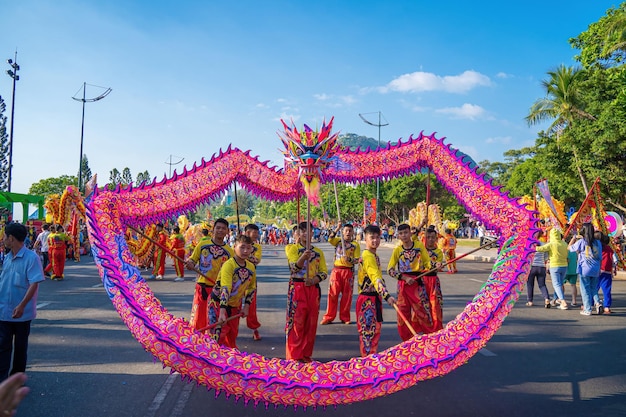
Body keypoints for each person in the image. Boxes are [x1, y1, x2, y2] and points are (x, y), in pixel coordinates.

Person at [0, 223, 45, 381]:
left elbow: (34, 283)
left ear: (11, 238)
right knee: (3, 346)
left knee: (20, 348)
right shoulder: (7, 257)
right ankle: (3, 380)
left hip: (22, 314)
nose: (3, 239)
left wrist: (22, 305)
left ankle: (16, 379)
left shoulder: (31, 258)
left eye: (5, 236)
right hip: (4, 311)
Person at [284, 222, 328, 362]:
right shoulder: (293, 249)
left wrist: (314, 280)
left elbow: (323, 272)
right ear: (298, 233)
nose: (305, 234)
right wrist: (303, 257)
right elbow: (293, 269)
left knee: (311, 323)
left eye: (308, 231)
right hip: (297, 288)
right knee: (296, 322)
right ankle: (294, 356)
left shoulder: (318, 252)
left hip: (312, 289)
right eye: (302, 231)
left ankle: (306, 354)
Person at [206, 235, 256, 348]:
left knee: (232, 336)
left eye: (248, 248)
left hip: (234, 305)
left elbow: (251, 287)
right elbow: (226, 288)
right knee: (216, 338)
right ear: (234, 247)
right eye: (242, 247)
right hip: (218, 304)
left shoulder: (251, 267)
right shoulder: (228, 265)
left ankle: (228, 362)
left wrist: (247, 306)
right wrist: (222, 312)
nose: (245, 251)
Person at [185, 219, 233, 331]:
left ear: (227, 231)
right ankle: (195, 345)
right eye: (218, 228)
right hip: (202, 287)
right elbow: (192, 260)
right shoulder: (202, 245)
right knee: (197, 320)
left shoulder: (230, 252)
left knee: (213, 322)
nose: (220, 230)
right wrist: (190, 264)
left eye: (223, 228)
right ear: (213, 229)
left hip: (218, 291)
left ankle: (210, 346)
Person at [387, 223, 431, 340]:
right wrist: (404, 278)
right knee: (403, 313)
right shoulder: (397, 250)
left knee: (422, 311)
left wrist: (434, 266)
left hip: (417, 282)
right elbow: (390, 270)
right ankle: (406, 340)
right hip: (403, 285)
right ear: (398, 235)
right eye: (401, 233)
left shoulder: (419, 246)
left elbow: (428, 263)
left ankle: (428, 338)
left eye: (406, 232)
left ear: (410, 233)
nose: (404, 235)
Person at [356, 225, 395, 356]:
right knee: (368, 334)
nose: (375, 241)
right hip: (367, 300)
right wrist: (387, 296)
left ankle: (370, 362)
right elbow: (375, 277)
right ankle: (368, 364)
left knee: (374, 332)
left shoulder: (374, 255)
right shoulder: (368, 256)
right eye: (372, 237)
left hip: (374, 298)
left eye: (378, 237)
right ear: (365, 238)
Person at [321, 223, 360, 325]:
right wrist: (337, 227)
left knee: (347, 296)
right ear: (343, 232)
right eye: (346, 230)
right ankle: (329, 317)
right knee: (333, 294)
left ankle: (345, 317)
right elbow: (330, 239)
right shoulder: (338, 241)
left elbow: (357, 260)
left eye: (350, 231)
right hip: (336, 271)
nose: (348, 233)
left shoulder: (355, 245)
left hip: (348, 272)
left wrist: (350, 259)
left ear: (353, 232)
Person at [568, 223, 602, 316]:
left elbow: (569, 248)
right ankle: (598, 303)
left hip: (584, 269)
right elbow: (600, 257)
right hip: (595, 268)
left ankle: (587, 309)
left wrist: (574, 238)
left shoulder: (582, 242)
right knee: (594, 288)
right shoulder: (598, 243)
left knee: (585, 289)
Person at [536, 228, 569, 310]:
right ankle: (555, 300)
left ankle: (562, 301)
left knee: (556, 284)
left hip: (554, 266)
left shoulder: (551, 244)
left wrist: (532, 244)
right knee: (560, 284)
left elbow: (539, 249)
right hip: (564, 266)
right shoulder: (564, 244)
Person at [243, 224, 263, 341]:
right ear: (247, 232)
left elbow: (256, 260)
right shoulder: (237, 243)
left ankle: (254, 329)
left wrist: (244, 253)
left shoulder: (257, 247)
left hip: (250, 278)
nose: (256, 235)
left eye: (256, 233)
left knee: (251, 304)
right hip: (235, 278)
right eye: (253, 232)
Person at [526, 230, 550, 307]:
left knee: (530, 284)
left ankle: (530, 301)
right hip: (541, 267)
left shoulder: (529, 245)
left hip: (531, 267)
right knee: (542, 285)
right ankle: (546, 299)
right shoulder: (543, 244)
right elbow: (546, 257)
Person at [597, 232, 614, 315]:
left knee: (594, 289)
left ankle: (591, 303)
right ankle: (607, 307)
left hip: (598, 271)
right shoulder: (610, 249)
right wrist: (613, 270)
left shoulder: (598, 248)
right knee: (607, 290)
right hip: (607, 271)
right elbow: (614, 260)